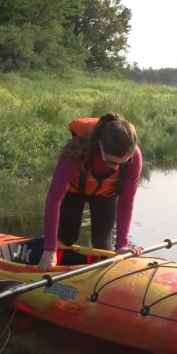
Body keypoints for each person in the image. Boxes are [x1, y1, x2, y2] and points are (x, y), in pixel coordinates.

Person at [37, 113, 143, 271]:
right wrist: (50, 248)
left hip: (106, 195)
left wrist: (122, 245)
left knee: (102, 245)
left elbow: (126, 202)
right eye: (110, 162)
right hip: (74, 192)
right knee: (66, 236)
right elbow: (54, 199)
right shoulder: (75, 151)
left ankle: (98, 279)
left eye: (123, 163)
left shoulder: (134, 157)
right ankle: (47, 257)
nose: (115, 168)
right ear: (100, 145)